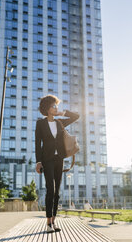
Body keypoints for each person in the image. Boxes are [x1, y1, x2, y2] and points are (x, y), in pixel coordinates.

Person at [35, 95, 79, 233]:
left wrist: (63, 113)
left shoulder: (60, 122)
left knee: (57, 192)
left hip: (59, 159)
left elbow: (76, 116)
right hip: (47, 160)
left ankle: (54, 221)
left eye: (56, 106)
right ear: (47, 108)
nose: (56, 108)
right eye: (54, 106)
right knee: (50, 190)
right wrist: (38, 161)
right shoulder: (40, 124)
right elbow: (37, 144)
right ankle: (48, 223)